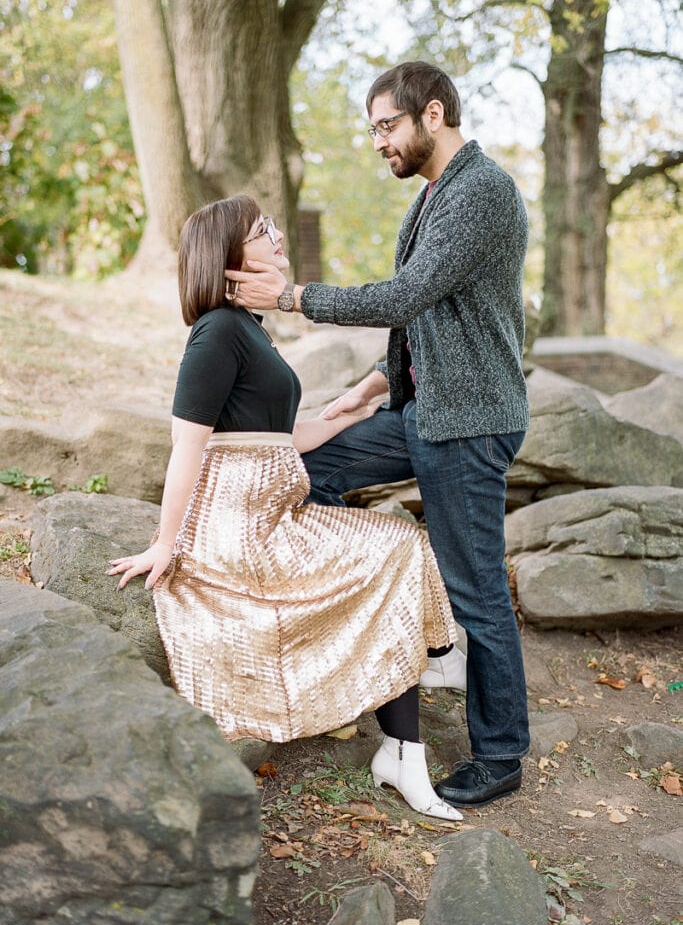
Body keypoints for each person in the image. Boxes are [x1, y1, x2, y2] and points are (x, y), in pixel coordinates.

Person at [224, 61, 530, 809]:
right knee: (309, 464)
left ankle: (499, 753)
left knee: (478, 590)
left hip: (469, 424)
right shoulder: (428, 198)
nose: (376, 142)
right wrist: (373, 385)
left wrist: (291, 297)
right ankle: (364, 616)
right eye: (371, 129)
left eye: (384, 126)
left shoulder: (480, 190)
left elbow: (406, 294)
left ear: (432, 114)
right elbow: (423, 318)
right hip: (421, 411)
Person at [107, 194, 463, 822]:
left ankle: (406, 745)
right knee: (395, 547)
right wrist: (167, 543)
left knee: (398, 545)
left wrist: (344, 412)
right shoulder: (216, 331)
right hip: (238, 527)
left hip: (277, 509)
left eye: (272, 225)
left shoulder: (250, 329)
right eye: (261, 230)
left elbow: (280, 437)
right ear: (228, 256)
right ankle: (422, 696)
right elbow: (188, 443)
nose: (275, 235)